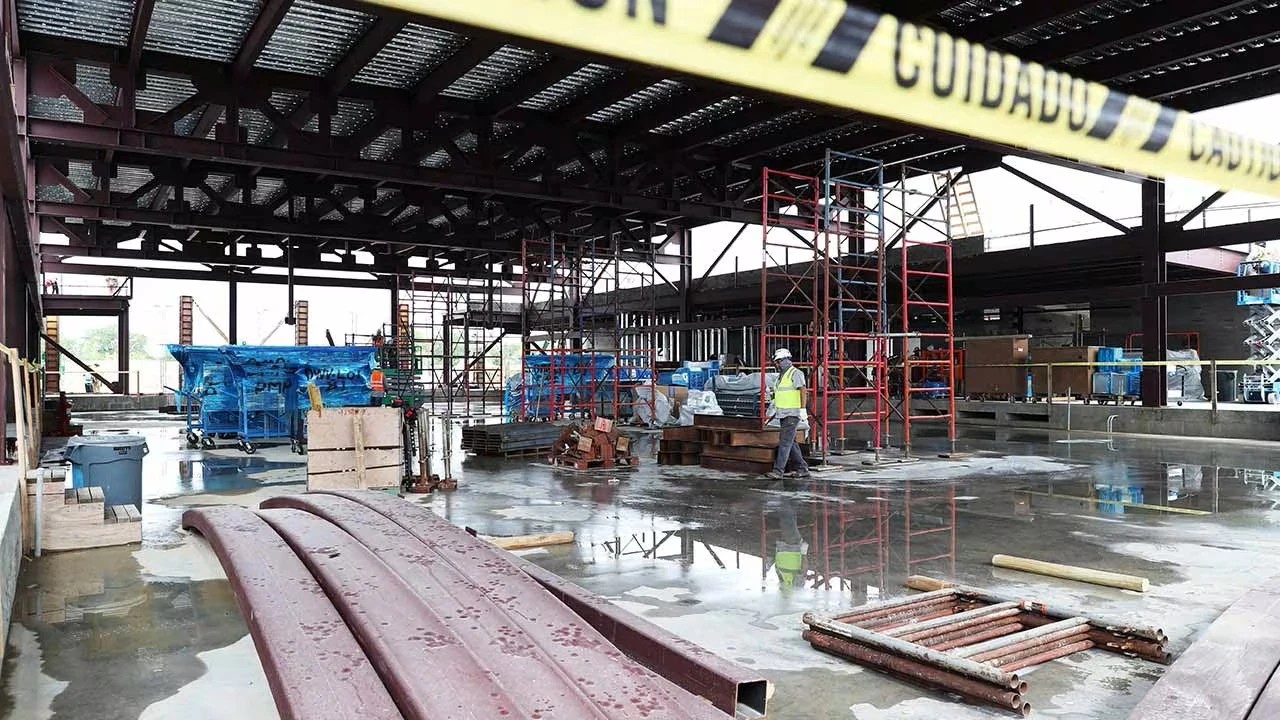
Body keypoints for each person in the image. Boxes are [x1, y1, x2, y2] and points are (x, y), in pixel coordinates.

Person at [767, 347, 810, 479]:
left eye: (779, 361)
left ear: (786, 360)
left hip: (792, 414)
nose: (777, 364)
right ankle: (802, 468)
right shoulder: (781, 376)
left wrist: (803, 409)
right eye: (777, 361)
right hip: (782, 413)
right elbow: (780, 394)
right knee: (790, 442)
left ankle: (778, 471)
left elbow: (803, 390)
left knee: (784, 442)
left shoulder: (795, 373)